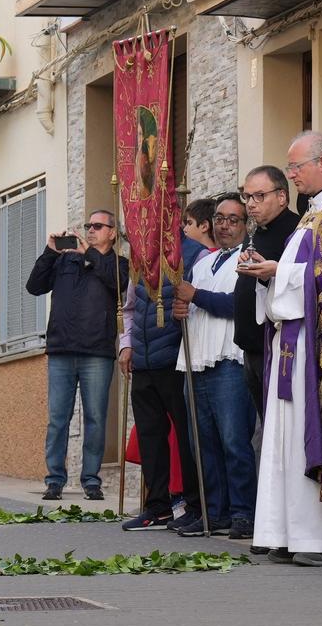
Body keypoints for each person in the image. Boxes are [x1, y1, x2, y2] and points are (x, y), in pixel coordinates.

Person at [236, 131, 322, 565]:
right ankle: (286, 531)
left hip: (320, 344)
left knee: (310, 432)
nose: (291, 174)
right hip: (291, 338)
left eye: (296, 167)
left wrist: (279, 273)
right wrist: (270, 274)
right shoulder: (312, 214)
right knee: (284, 436)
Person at [170, 194, 256, 539]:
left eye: (233, 219)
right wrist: (181, 309)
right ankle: (214, 512)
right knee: (201, 444)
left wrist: (195, 297)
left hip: (229, 360)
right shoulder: (203, 263)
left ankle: (243, 513)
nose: (225, 225)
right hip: (197, 360)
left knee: (234, 441)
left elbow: (240, 305)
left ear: (245, 224)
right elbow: (191, 303)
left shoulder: (249, 258)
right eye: (220, 218)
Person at [26, 210, 126, 502]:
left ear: (112, 232)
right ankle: (55, 479)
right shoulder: (63, 260)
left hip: (97, 352)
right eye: (88, 226)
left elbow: (118, 285)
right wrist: (49, 251)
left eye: (97, 226)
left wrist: (90, 256)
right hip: (61, 350)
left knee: (95, 418)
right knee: (58, 419)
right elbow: (34, 286)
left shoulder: (119, 264)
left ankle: (91, 481)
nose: (91, 230)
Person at [117, 242, 191, 532]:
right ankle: (157, 506)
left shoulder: (183, 256)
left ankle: (192, 502)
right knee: (150, 437)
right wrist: (126, 346)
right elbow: (129, 310)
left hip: (172, 359)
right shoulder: (138, 263)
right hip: (143, 361)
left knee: (184, 436)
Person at [234, 164, 299, 403]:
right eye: (247, 196)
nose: (250, 203)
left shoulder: (296, 231)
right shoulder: (254, 230)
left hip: (278, 347)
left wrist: (271, 273)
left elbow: (300, 283)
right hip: (250, 347)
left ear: (282, 196)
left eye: (259, 196)